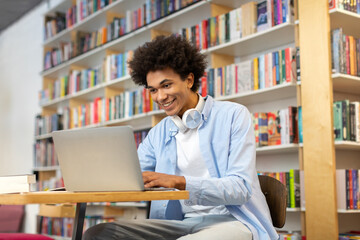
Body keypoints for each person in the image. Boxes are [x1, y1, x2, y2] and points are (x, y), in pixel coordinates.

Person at [83, 35, 278, 240]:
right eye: (153, 90)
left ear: (189, 80)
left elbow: (241, 188)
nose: (160, 97)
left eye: (166, 85)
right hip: (180, 223)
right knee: (97, 234)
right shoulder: (158, 133)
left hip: (233, 221)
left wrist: (178, 182)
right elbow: (134, 175)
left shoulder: (234, 116)